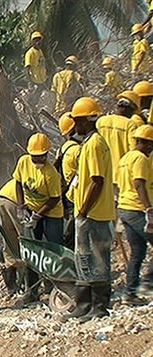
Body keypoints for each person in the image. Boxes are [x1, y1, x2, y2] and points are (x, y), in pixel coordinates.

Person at [62, 97, 115, 322]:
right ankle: (83, 304)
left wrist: (83, 209)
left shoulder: (93, 144)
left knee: (95, 260)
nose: (75, 125)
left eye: (78, 120)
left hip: (93, 213)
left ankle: (98, 306)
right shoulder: (93, 142)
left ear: (86, 120)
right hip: (95, 212)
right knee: (84, 259)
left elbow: (97, 180)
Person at [13, 133, 64, 302]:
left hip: (51, 213)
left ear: (47, 154)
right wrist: (21, 206)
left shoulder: (50, 173)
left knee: (53, 249)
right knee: (32, 251)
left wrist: (38, 215)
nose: (37, 161)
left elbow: (55, 198)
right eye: (34, 157)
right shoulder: (23, 162)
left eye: (40, 157)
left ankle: (55, 286)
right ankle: (32, 290)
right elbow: (18, 182)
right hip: (32, 209)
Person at [116, 125, 153, 305]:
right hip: (137, 209)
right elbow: (139, 184)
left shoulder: (126, 158)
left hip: (124, 208)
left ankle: (129, 293)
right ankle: (148, 283)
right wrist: (149, 209)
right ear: (145, 143)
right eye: (150, 145)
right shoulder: (140, 159)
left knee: (137, 251)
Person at [95, 91, 139, 187]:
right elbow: (134, 151)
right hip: (120, 176)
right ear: (131, 109)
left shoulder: (101, 121)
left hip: (101, 174)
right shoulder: (130, 125)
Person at [55, 112, 82, 250]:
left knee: (71, 231)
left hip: (66, 195)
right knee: (74, 233)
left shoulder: (63, 148)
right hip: (76, 196)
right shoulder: (77, 150)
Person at [0, 179, 23, 296]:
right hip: (16, 201)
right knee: (25, 240)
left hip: (3, 197)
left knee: (9, 240)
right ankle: (29, 284)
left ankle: (11, 285)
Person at [24, 31, 48, 105]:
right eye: (36, 40)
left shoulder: (40, 51)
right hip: (35, 81)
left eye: (39, 40)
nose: (38, 42)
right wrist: (30, 82)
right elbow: (27, 69)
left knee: (40, 101)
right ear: (32, 42)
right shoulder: (30, 53)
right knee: (33, 101)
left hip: (42, 80)